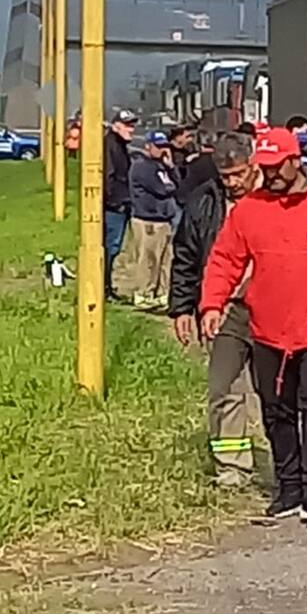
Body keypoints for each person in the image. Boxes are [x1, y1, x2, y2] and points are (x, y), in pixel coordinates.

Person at [200, 128, 307, 525]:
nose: (271, 175)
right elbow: (226, 260)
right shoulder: (250, 209)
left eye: (277, 166)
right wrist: (211, 304)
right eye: (265, 168)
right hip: (268, 329)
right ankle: (288, 487)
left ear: (296, 161)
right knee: (276, 410)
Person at [169, 132, 260, 487]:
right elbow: (186, 256)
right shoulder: (203, 202)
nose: (234, 182)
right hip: (221, 309)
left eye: (240, 173)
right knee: (225, 387)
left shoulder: (278, 196)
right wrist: (182, 308)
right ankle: (232, 466)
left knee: (278, 392)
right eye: (227, 177)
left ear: (253, 164)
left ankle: (291, 468)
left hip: (273, 306)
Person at [129, 130, 179, 308]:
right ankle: (143, 293)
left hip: (163, 219)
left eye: (164, 146)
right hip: (148, 219)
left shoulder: (162, 166)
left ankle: (160, 293)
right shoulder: (142, 166)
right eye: (158, 147)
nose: (162, 150)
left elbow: (177, 185)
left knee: (165, 260)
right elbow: (162, 189)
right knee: (148, 260)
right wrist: (170, 186)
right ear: (148, 146)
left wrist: (171, 167)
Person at [103, 109, 137, 299]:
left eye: (132, 125)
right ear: (116, 126)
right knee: (111, 247)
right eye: (127, 125)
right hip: (114, 207)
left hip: (119, 205)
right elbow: (109, 176)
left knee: (114, 248)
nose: (131, 129)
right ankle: (104, 287)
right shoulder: (111, 145)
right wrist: (115, 202)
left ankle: (107, 286)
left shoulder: (120, 145)